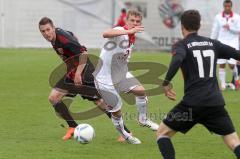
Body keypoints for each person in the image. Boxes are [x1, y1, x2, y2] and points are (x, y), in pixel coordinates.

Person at [156, 10, 240, 159]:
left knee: (162, 133)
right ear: (199, 25)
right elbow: (236, 54)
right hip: (215, 103)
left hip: (192, 103)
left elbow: (177, 60)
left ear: (182, 26)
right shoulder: (213, 44)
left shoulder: (181, 45)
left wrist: (166, 82)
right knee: (234, 142)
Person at [38, 17, 132, 141]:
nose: (46, 33)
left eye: (48, 30)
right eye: (43, 31)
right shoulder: (55, 37)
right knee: (53, 98)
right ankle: (72, 127)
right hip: (72, 71)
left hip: (85, 71)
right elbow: (72, 35)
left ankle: (126, 132)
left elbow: (83, 53)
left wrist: (78, 73)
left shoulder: (63, 39)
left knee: (101, 103)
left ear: (53, 28)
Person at [94, 9, 159, 145]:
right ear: (126, 21)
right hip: (104, 78)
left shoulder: (131, 38)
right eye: (132, 21)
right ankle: (126, 135)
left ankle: (143, 119)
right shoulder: (120, 31)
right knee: (117, 113)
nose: (134, 23)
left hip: (120, 73)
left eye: (137, 22)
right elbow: (106, 33)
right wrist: (127, 31)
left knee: (141, 91)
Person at [211, 0, 240, 90]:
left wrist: (230, 28)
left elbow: (239, 30)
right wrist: (212, 41)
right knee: (222, 63)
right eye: (226, 6)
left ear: (231, 7)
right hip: (221, 42)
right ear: (223, 7)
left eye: (229, 6)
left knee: (231, 65)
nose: (227, 8)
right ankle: (223, 85)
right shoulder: (218, 17)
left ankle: (236, 79)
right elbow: (215, 30)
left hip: (233, 42)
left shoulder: (237, 17)